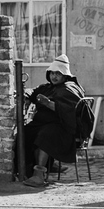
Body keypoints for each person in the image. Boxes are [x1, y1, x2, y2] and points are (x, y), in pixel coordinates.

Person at [22, 54, 86, 188]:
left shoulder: (70, 89)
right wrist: (27, 95)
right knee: (25, 133)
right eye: (52, 73)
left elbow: (70, 110)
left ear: (65, 75)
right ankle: (26, 170)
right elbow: (33, 91)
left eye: (58, 73)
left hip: (63, 127)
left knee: (45, 135)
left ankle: (38, 174)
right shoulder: (48, 87)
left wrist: (48, 103)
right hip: (42, 124)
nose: (54, 76)